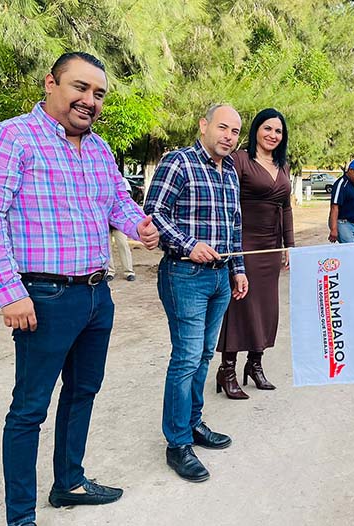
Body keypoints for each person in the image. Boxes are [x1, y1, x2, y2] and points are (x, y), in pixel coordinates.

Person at [0, 52, 160, 526]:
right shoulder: (10, 138)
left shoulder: (98, 148)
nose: (89, 101)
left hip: (97, 295)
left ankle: (69, 483)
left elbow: (116, 199)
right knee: (29, 409)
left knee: (83, 392)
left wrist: (138, 224)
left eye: (98, 94)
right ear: (51, 83)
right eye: (80, 87)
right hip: (43, 298)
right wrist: (10, 292)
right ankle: (20, 517)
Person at [144, 104, 248, 483]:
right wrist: (189, 245)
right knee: (186, 357)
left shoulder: (231, 174)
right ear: (203, 125)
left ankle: (193, 423)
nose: (229, 137)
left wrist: (237, 270)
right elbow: (153, 212)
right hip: (185, 274)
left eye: (235, 132)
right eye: (223, 127)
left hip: (220, 278)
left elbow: (234, 228)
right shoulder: (179, 162)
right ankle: (177, 444)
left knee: (204, 355)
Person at [216, 108, 295, 399]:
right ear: (256, 130)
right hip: (244, 244)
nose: (273, 135)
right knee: (239, 306)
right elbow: (227, 203)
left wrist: (289, 245)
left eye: (278, 131)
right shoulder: (240, 160)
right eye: (267, 129)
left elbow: (285, 207)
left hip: (271, 247)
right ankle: (227, 369)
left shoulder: (283, 166)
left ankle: (255, 364)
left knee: (265, 307)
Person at [108, 178, 137, 281]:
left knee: (123, 244)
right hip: (104, 220)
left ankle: (129, 271)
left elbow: (126, 200)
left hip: (118, 220)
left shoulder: (122, 180)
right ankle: (110, 271)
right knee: (106, 247)